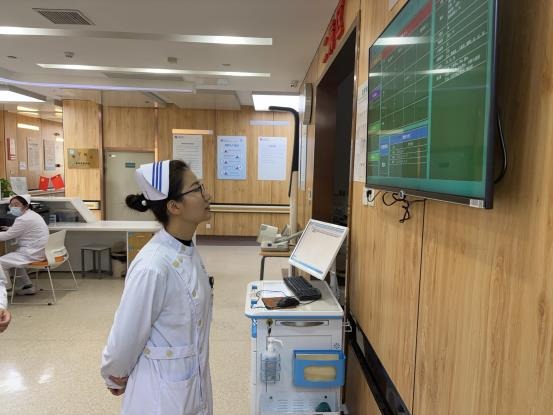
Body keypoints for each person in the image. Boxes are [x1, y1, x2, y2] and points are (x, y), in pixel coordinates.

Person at [101, 160, 214, 415]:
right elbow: (126, 333)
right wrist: (114, 374)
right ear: (174, 206)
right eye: (197, 189)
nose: (207, 195)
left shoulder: (186, 251)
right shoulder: (152, 266)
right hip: (159, 396)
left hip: (189, 383)